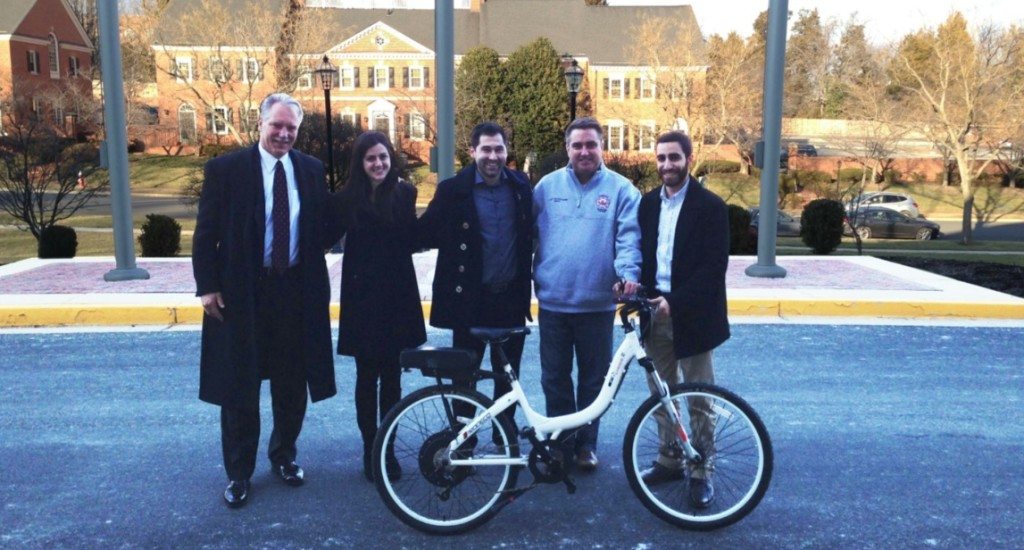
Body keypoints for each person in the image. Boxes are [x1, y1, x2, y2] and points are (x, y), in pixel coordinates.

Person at [192, 92, 342, 508]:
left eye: (291, 128)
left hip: (295, 292)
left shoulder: (310, 170)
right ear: (260, 123)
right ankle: (239, 473)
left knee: (292, 384)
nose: (283, 134)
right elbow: (206, 233)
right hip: (242, 293)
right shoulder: (227, 170)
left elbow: (324, 225)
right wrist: (207, 286)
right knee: (240, 386)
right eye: (276, 125)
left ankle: (284, 456)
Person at [532, 117, 641, 471]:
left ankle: (586, 445)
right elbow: (527, 237)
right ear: (567, 148)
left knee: (595, 381)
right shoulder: (546, 188)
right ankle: (561, 446)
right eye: (577, 145)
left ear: (601, 147)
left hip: (597, 305)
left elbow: (628, 240)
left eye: (591, 144)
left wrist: (627, 276)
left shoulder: (622, 190)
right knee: (555, 379)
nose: (584, 151)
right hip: (553, 303)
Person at [629, 130, 730, 509]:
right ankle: (670, 459)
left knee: (699, 398)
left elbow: (712, 269)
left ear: (688, 159)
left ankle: (702, 469)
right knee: (662, 394)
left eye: (674, 157)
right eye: (661, 158)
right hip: (654, 315)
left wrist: (676, 302)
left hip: (694, 316)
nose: (667, 165)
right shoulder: (648, 205)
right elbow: (641, 255)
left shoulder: (710, 207)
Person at [418, 122, 533, 432]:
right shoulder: (453, 190)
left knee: (508, 375)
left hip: (509, 297)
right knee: (464, 376)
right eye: (486, 149)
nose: (493, 156)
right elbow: (424, 232)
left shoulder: (521, 187)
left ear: (507, 151)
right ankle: (463, 438)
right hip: (469, 299)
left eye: (499, 149)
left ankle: (504, 434)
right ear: (472, 151)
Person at [335, 131, 425, 481]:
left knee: (392, 380)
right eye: (371, 158)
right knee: (365, 377)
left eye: (384, 157)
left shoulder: (405, 194)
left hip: (397, 297)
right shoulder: (346, 200)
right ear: (361, 163)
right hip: (361, 299)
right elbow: (322, 235)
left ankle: (387, 448)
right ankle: (369, 446)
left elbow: (414, 238)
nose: (378, 164)